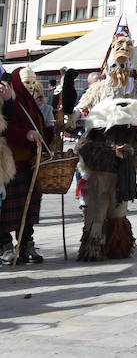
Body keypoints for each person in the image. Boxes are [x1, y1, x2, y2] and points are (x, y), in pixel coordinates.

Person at [76, 96, 137, 260]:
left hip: (122, 179)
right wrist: (112, 154)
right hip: (99, 179)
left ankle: (117, 247)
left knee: (118, 213)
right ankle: (94, 248)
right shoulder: (97, 130)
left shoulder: (131, 130)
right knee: (98, 212)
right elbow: (86, 150)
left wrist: (129, 153)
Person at [2, 67, 53, 265]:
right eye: (25, 82)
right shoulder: (7, 101)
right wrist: (25, 134)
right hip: (10, 162)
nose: (30, 86)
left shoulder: (31, 103)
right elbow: (6, 128)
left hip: (31, 162)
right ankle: (5, 245)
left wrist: (51, 131)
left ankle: (25, 244)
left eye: (33, 82)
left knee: (28, 207)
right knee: (8, 208)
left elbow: (38, 127)